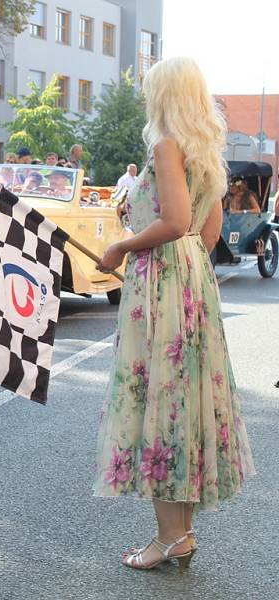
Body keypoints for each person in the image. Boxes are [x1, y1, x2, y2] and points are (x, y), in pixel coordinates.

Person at [94, 57, 254, 570]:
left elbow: (174, 220)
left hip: (162, 283)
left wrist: (123, 246)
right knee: (185, 403)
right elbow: (208, 232)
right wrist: (187, 275)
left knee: (159, 404)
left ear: (164, 94)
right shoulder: (205, 148)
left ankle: (167, 539)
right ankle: (180, 534)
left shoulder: (166, 143)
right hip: (192, 282)